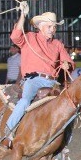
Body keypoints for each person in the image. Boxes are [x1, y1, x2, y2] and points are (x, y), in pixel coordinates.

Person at [6, 11, 74, 146]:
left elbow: (69, 63)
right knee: (25, 100)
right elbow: (15, 37)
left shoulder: (57, 44)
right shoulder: (30, 38)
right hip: (33, 79)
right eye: (50, 26)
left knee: (69, 108)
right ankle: (8, 133)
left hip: (52, 82)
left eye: (54, 27)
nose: (53, 30)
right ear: (40, 26)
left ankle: (61, 150)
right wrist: (23, 16)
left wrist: (67, 64)